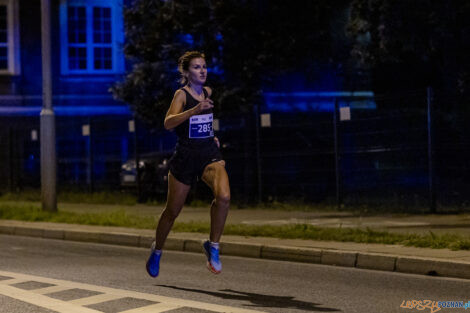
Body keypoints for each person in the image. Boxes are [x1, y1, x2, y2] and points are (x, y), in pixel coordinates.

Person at [146, 51, 230, 277]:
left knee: (223, 197)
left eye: (204, 66)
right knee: (172, 211)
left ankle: (213, 247)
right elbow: (168, 123)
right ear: (186, 72)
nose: (202, 71)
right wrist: (194, 110)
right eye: (196, 67)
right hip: (185, 157)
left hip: (208, 154)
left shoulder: (209, 92)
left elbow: (205, 123)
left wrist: (211, 135)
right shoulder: (181, 95)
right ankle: (158, 250)